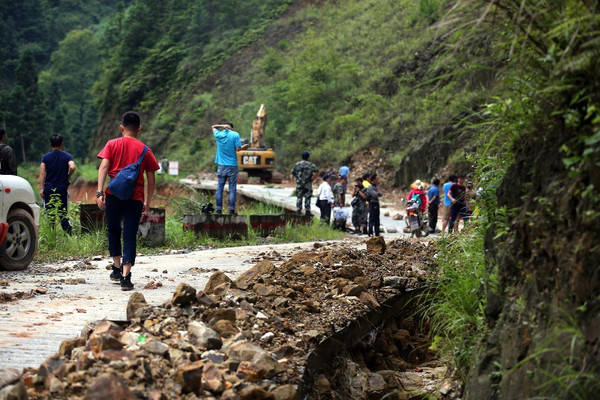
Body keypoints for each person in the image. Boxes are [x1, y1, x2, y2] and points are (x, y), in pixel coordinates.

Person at [96, 111, 159, 291]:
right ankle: (125, 276)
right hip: (135, 198)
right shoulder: (145, 150)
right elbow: (151, 179)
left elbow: (103, 167)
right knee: (130, 234)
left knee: (113, 230)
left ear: (121, 127)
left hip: (113, 195)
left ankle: (116, 267)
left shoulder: (112, 144)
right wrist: (147, 201)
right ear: (139, 129)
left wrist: (100, 193)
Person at [39, 134, 76, 233]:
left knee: (50, 215)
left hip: (49, 189)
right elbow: (72, 167)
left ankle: (51, 238)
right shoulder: (67, 156)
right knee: (63, 214)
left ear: (50, 144)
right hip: (62, 188)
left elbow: (42, 174)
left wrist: (41, 189)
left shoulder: (45, 158)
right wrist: (68, 176)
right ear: (62, 143)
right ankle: (69, 236)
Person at [212, 121, 247, 214]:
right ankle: (231, 210)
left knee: (220, 187)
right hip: (232, 165)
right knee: (232, 188)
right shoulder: (235, 135)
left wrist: (221, 125)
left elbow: (213, 126)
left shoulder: (218, 134)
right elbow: (238, 149)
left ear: (225, 127)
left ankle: (218, 209)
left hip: (221, 166)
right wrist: (243, 147)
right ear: (232, 128)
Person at [291, 151, 318, 216]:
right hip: (307, 184)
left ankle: (298, 211)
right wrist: (313, 178)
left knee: (299, 197)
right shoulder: (311, 165)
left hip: (299, 184)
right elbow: (317, 171)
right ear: (308, 157)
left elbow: (292, 173)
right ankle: (307, 211)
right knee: (308, 197)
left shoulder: (297, 164)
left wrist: (297, 179)